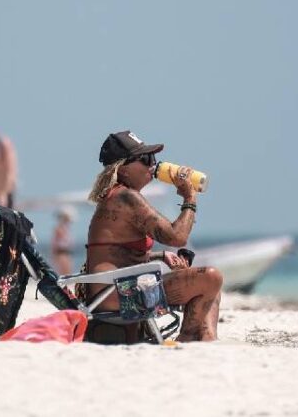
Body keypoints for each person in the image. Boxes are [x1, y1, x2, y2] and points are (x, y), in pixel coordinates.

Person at [84, 130, 222, 343]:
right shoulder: (126, 197)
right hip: (118, 294)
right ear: (124, 169)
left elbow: (116, 255)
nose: (153, 164)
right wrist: (189, 198)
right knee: (210, 277)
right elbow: (177, 237)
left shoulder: (117, 196)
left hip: (115, 289)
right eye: (146, 159)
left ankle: (206, 339)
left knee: (210, 285)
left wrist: (158, 257)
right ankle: (188, 337)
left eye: (153, 159)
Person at [51, 207, 76, 276]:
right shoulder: (59, 228)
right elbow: (54, 243)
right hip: (61, 252)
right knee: (64, 271)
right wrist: (54, 254)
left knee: (67, 271)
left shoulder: (65, 228)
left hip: (66, 252)